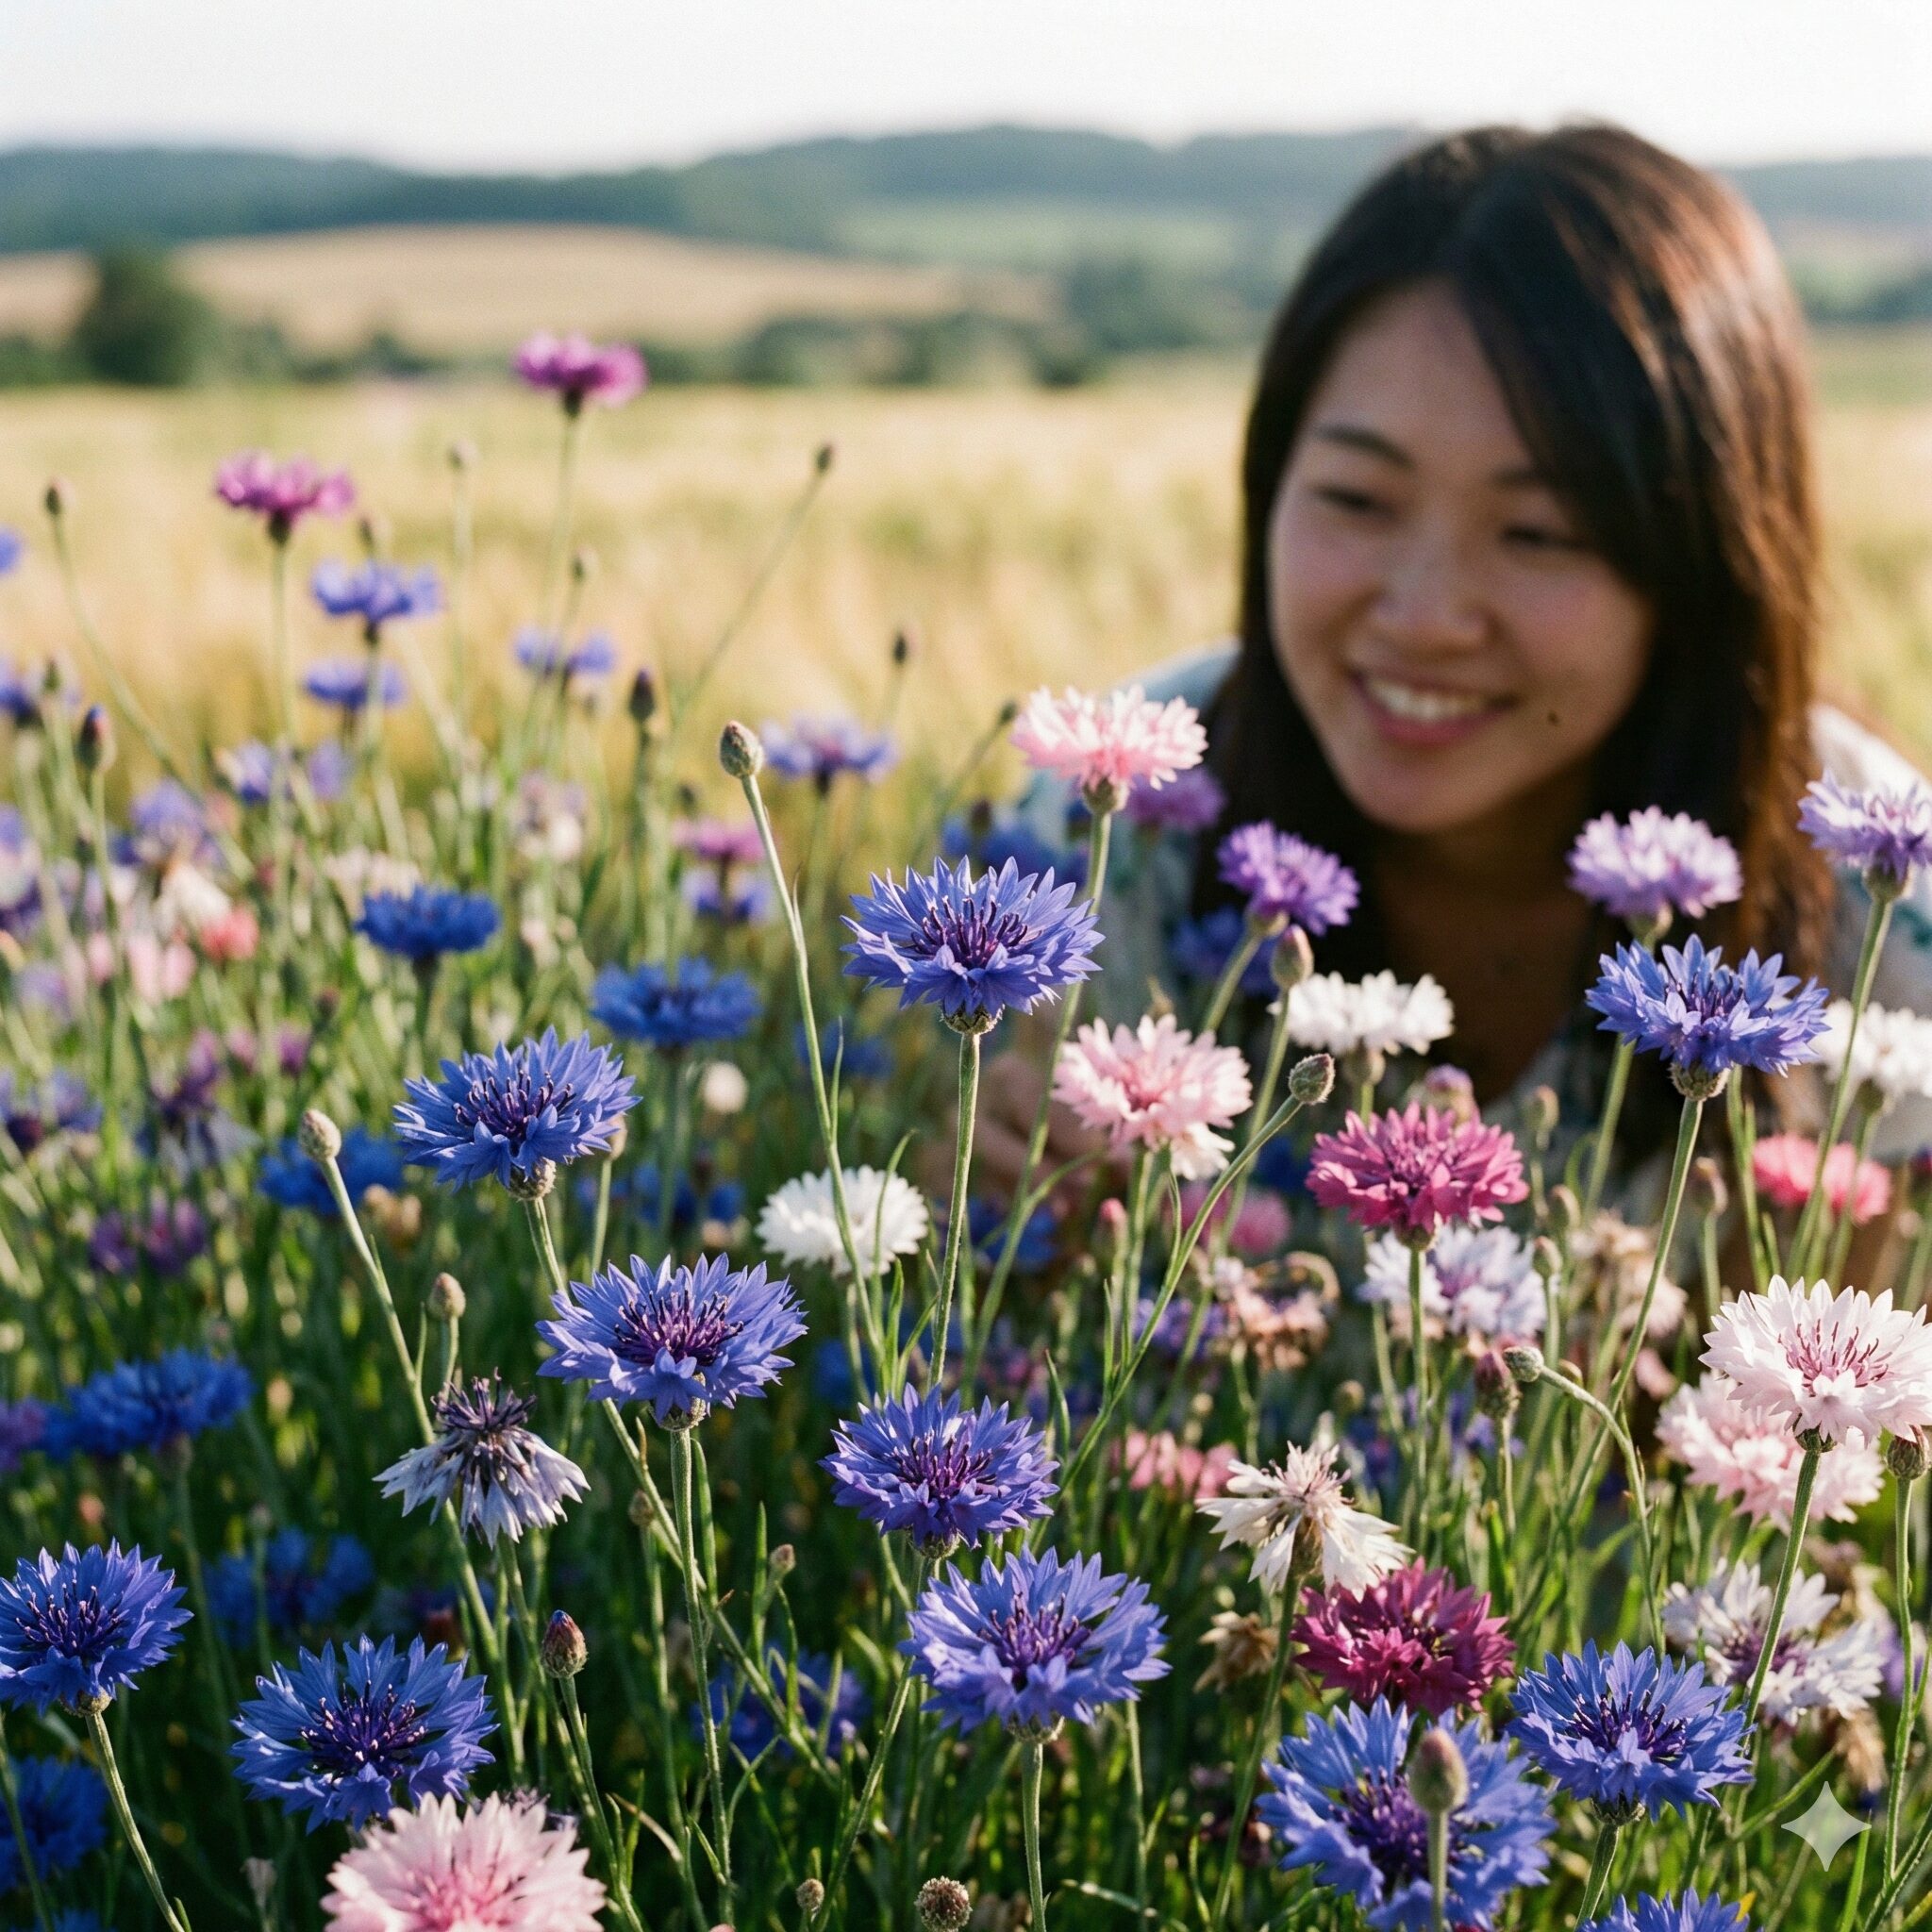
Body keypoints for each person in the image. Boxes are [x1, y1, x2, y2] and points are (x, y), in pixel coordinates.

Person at [974, 121, 1932, 1206]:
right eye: (1356, 498)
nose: (1423, 617)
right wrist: (997, 1198)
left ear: (1701, 566)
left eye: (1537, 532)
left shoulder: (1888, 915)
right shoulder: (1104, 821)